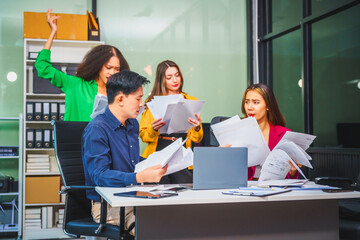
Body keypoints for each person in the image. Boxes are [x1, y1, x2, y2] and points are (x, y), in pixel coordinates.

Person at [82, 70, 167, 236]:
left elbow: (132, 161)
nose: (142, 104)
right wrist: (139, 177)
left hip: (134, 198)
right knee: (154, 230)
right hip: (108, 206)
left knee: (177, 219)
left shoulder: (132, 125)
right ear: (120, 99)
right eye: (138, 98)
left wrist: (157, 162)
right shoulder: (96, 129)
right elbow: (99, 175)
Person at [34, 9, 129, 121]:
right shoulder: (75, 85)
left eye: (117, 69)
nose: (112, 72)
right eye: (108, 68)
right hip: (77, 138)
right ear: (98, 66)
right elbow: (42, 67)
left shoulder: (118, 93)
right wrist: (53, 33)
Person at [139, 60, 203, 184]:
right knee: (158, 193)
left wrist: (197, 128)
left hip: (181, 152)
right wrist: (153, 129)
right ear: (161, 80)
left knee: (184, 191)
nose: (175, 80)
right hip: (159, 152)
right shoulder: (151, 102)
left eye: (177, 75)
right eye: (169, 77)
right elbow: (144, 136)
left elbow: (197, 139)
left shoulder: (191, 100)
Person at [241, 83, 300, 180]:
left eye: (255, 102)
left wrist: (293, 171)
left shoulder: (284, 134)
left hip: (276, 189)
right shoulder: (239, 133)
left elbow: (290, 178)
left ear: (268, 106)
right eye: (247, 102)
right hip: (245, 188)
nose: (249, 107)